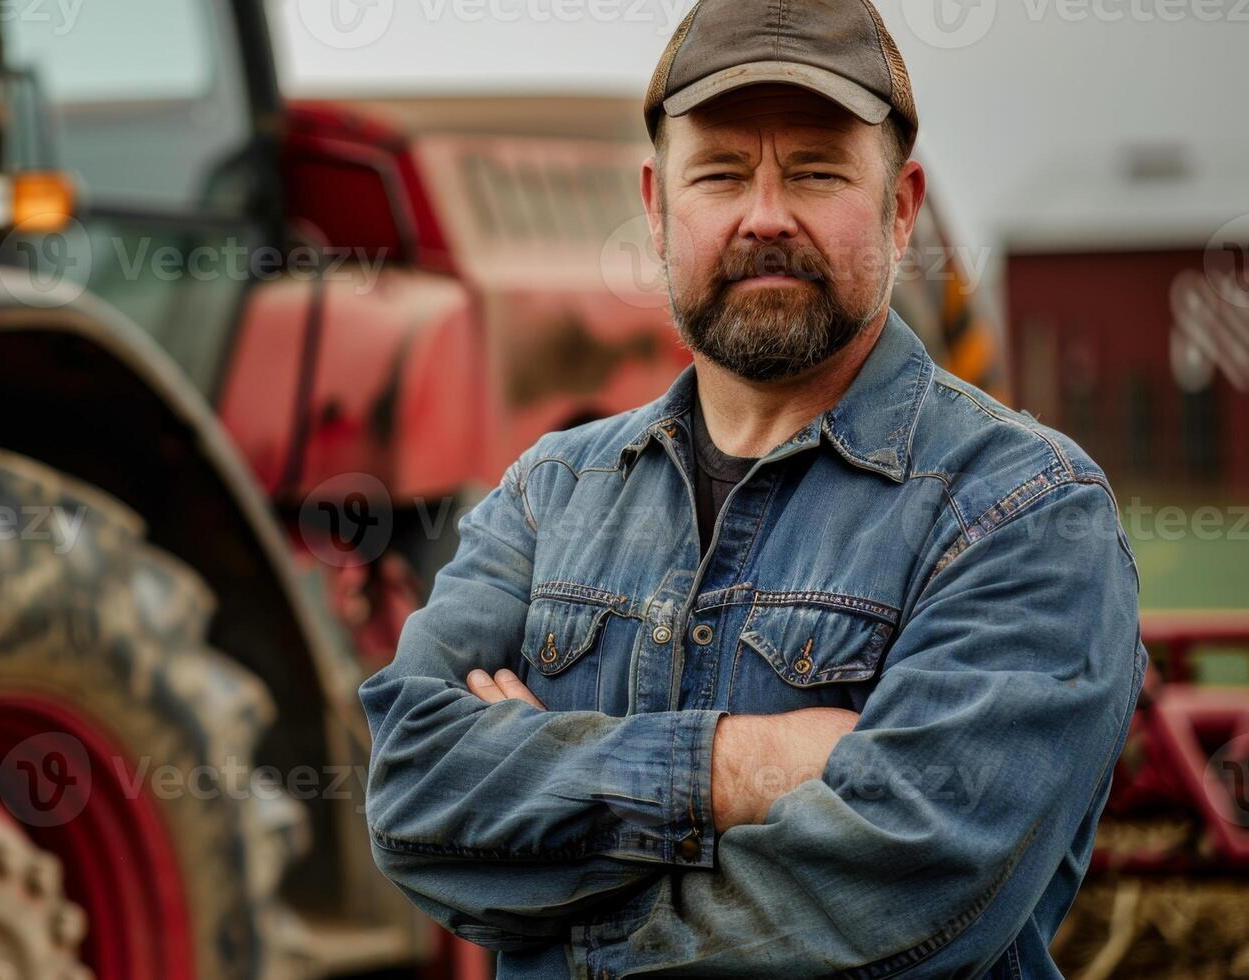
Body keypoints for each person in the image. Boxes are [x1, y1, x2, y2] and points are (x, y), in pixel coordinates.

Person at [357, 1, 1144, 976]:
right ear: (654, 206)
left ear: (899, 209)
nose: (764, 215)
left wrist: (567, 927)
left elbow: (913, 887)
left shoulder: (1027, 511)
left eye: (815, 170)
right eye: (720, 172)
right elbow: (413, 797)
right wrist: (743, 764)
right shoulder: (547, 491)